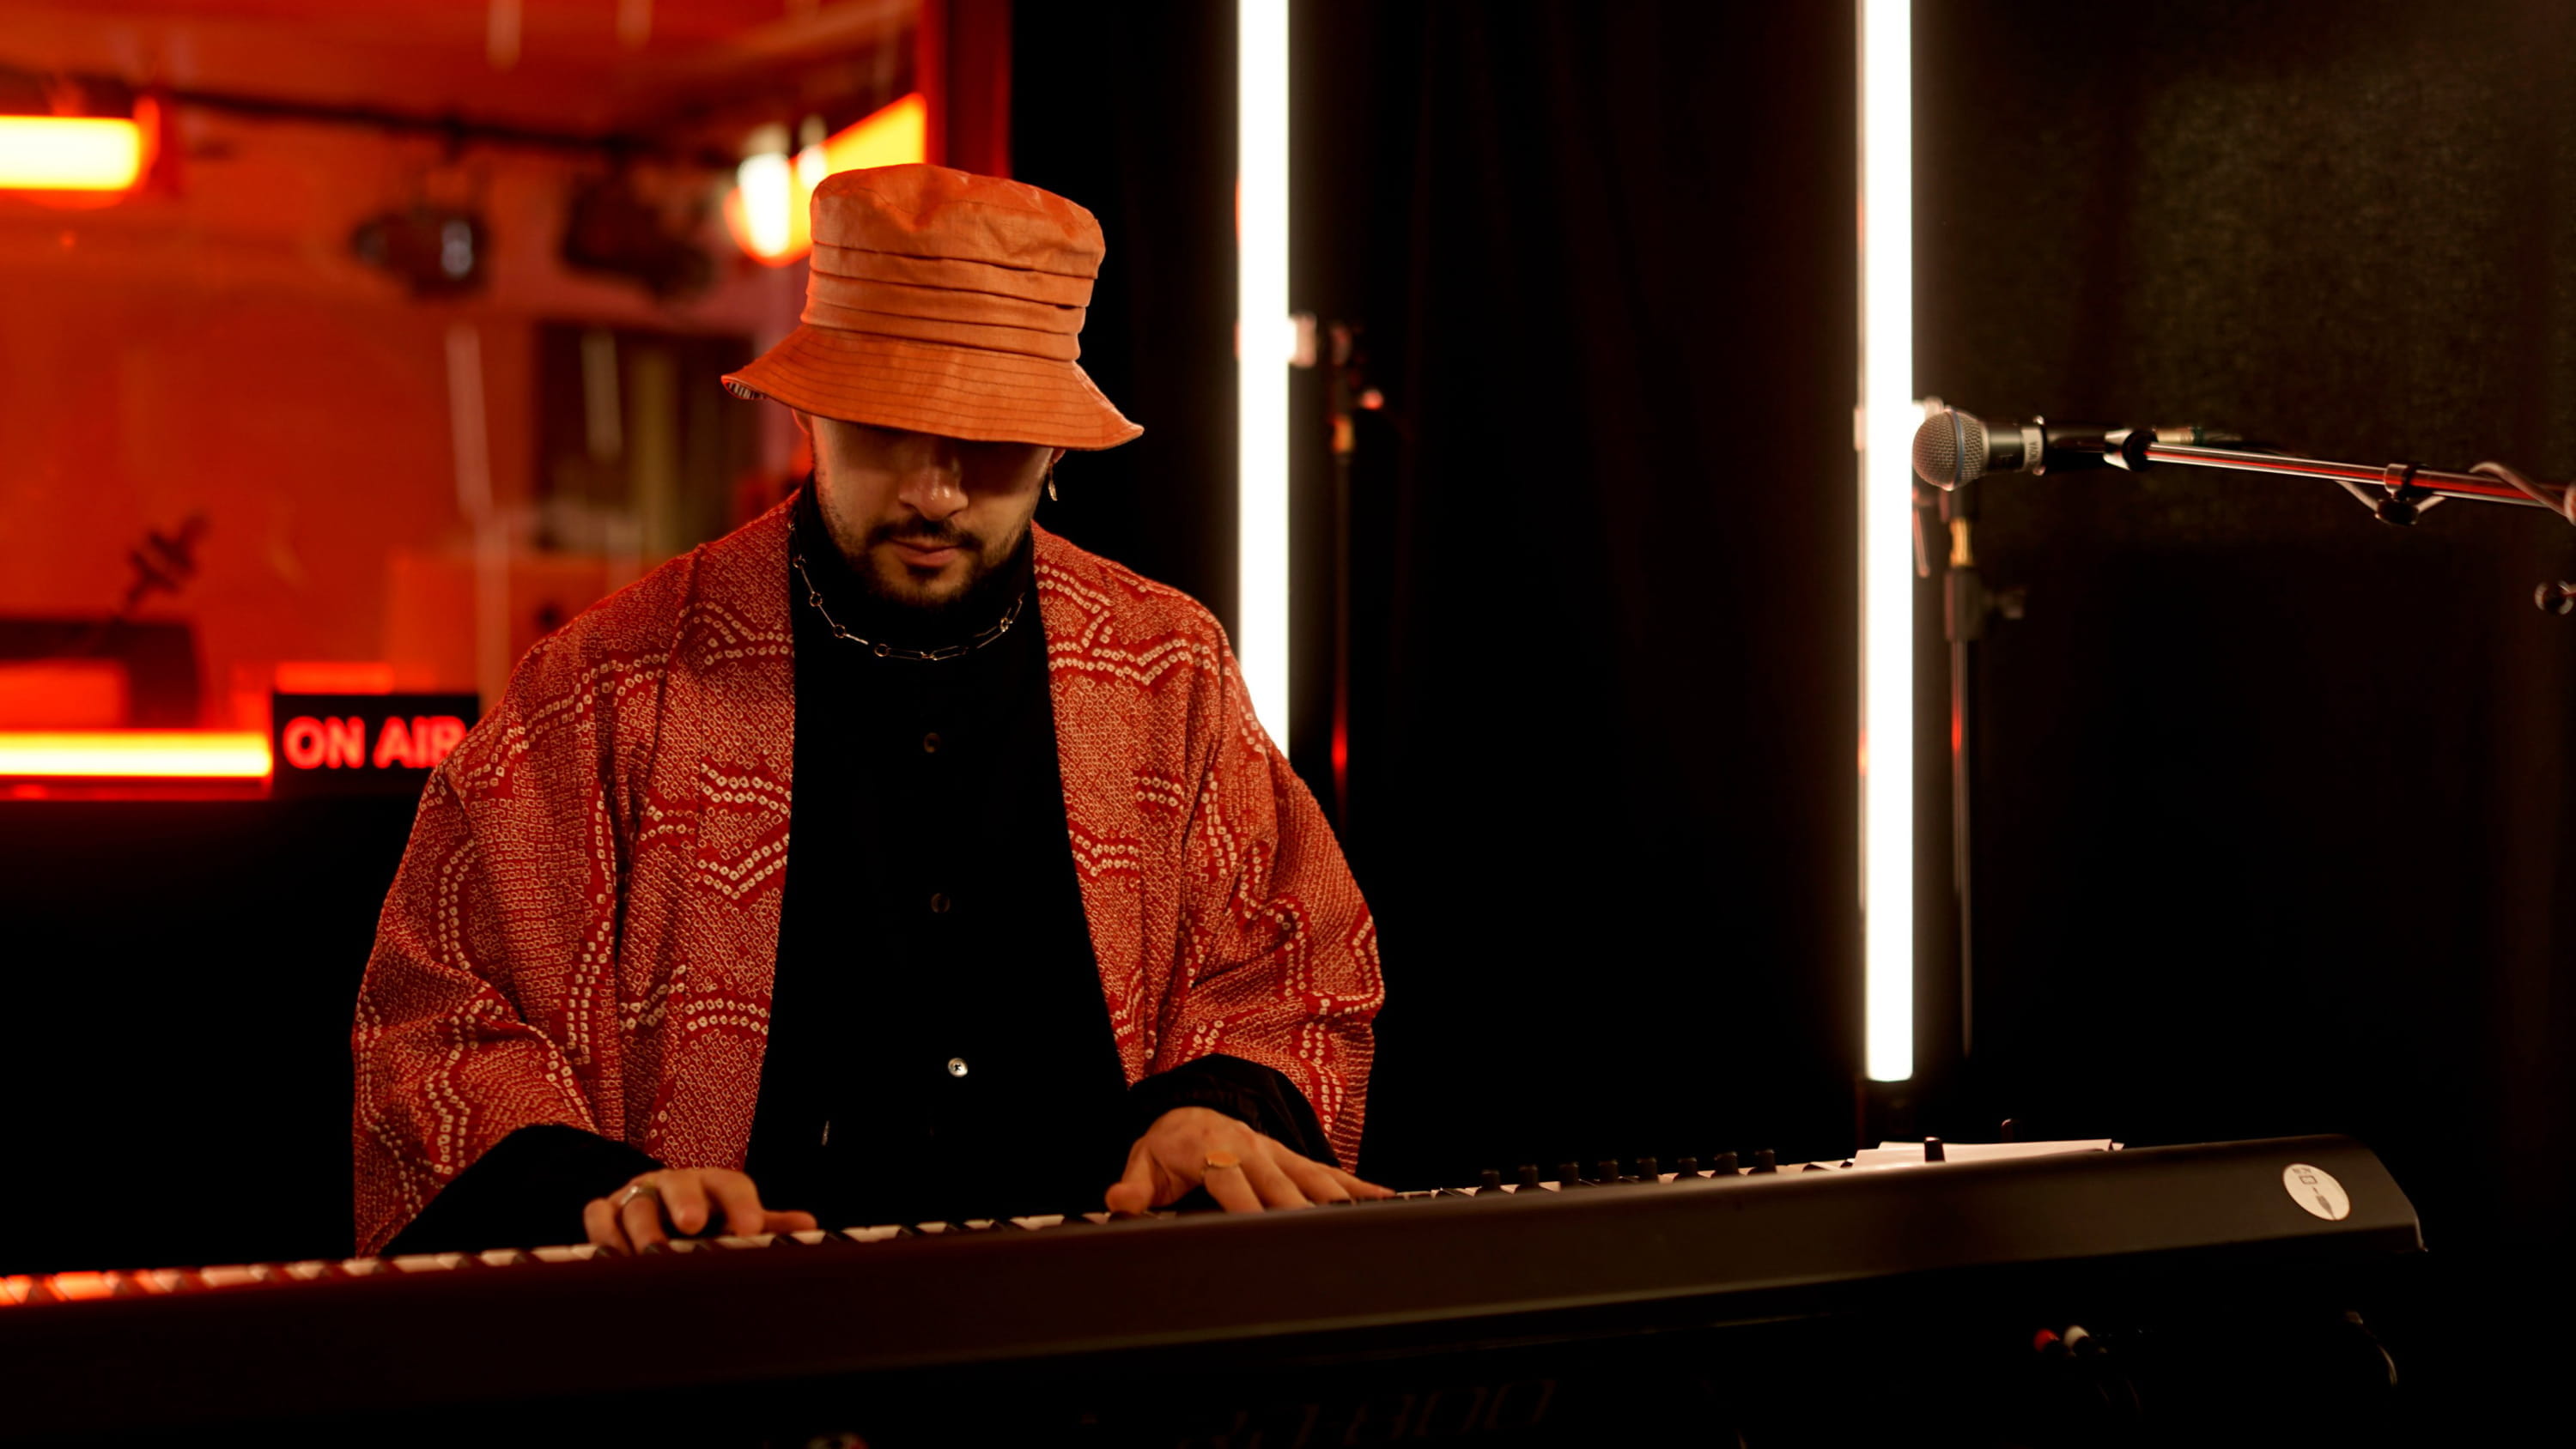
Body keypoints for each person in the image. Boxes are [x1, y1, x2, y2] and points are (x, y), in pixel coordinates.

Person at [353, 166, 1387, 1258]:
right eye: (889, 428)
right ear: (810, 405)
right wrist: (612, 1192)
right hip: (731, 1334)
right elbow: (441, 1020)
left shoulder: (1165, 669)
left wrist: (1214, 1110)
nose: (934, 492)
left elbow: (1297, 959)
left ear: (1056, 444)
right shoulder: (608, 685)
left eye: (991, 439)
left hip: (1100, 1320)